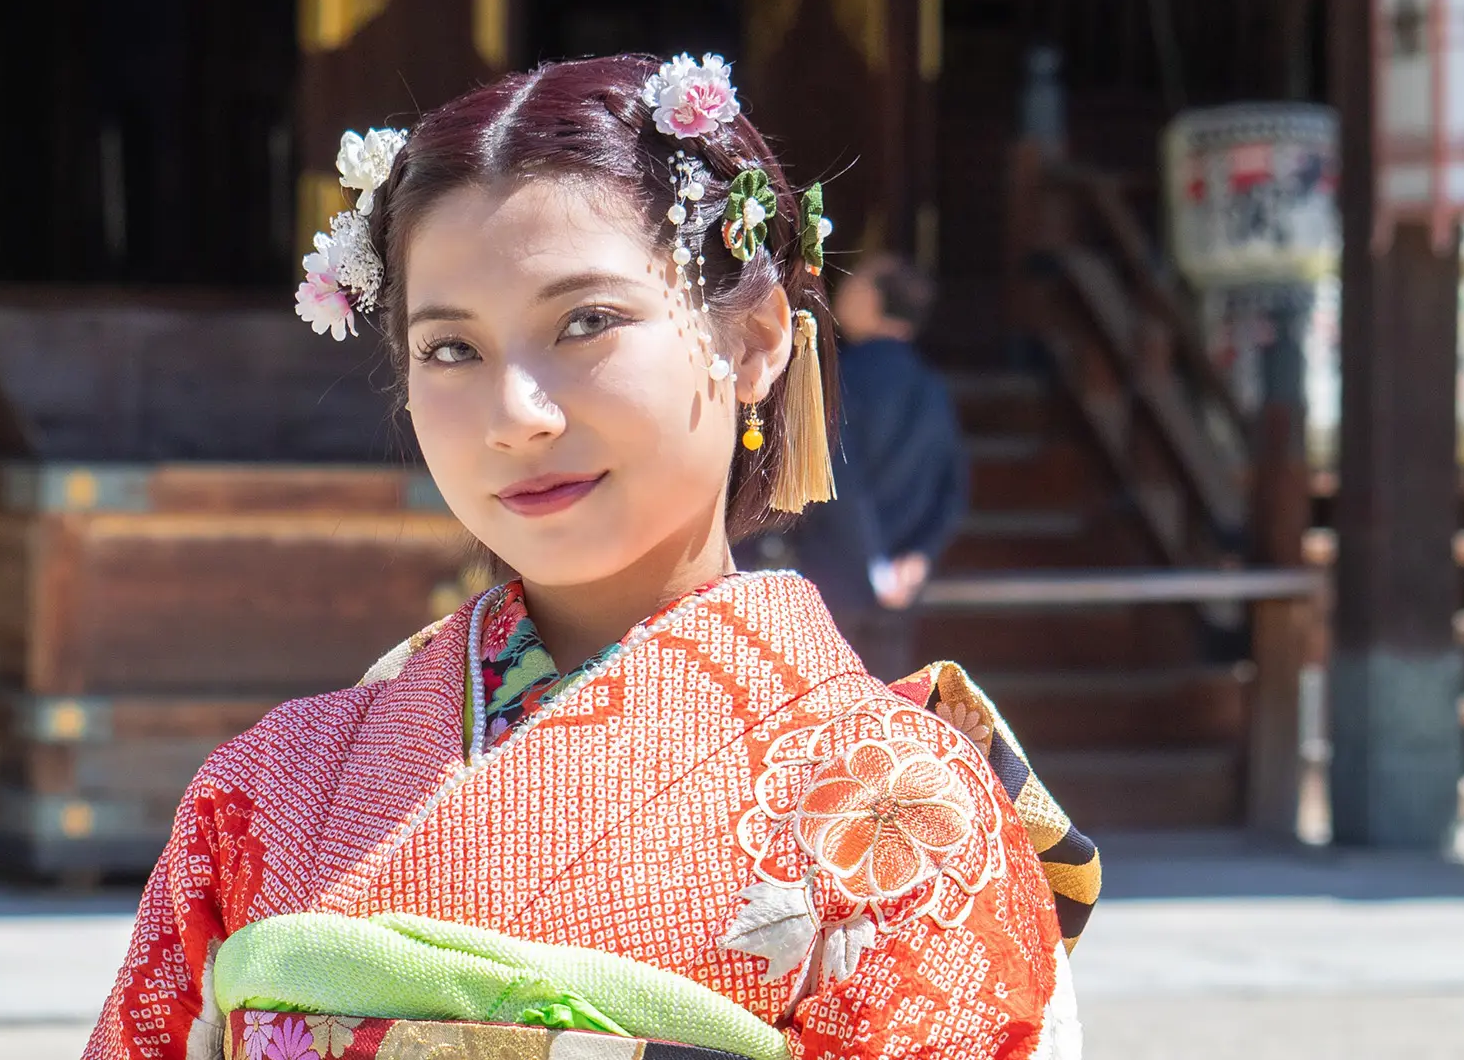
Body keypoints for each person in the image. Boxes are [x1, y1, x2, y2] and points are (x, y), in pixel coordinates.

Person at [86, 54, 1095, 1060]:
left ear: (750, 343)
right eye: (450, 349)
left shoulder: (898, 805)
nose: (515, 415)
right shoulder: (262, 790)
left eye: (586, 323)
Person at [796, 259, 969, 680]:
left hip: (834, 576)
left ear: (873, 300)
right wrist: (918, 558)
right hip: (901, 587)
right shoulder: (933, 385)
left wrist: (872, 562)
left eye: (855, 287)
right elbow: (953, 487)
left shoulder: (840, 376)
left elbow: (839, 477)